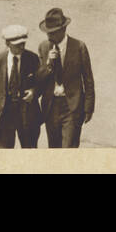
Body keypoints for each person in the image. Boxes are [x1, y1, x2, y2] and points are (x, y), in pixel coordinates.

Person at [35, 8, 95, 149]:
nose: (49, 36)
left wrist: (88, 107)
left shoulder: (79, 47)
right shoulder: (44, 47)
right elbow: (38, 79)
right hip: (51, 107)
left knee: (69, 148)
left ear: (63, 30)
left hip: (72, 107)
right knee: (54, 149)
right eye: (48, 33)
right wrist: (48, 64)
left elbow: (88, 79)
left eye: (53, 33)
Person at [0, 25, 42, 149]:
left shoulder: (32, 58)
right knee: (4, 154)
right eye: (17, 44)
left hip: (27, 114)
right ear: (8, 43)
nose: (22, 47)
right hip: (5, 114)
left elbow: (41, 84)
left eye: (23, 43)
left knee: (29, 150)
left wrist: (34, 92)